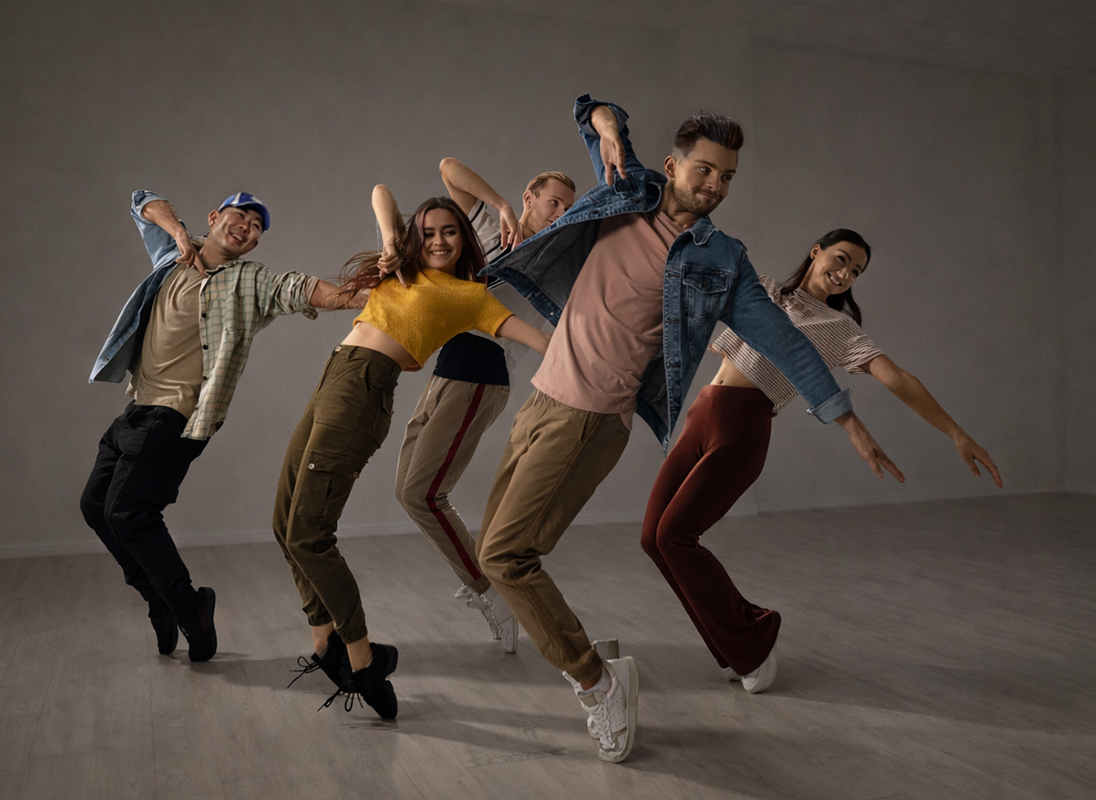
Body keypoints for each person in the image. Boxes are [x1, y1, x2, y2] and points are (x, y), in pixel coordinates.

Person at [477, 96, 900, 764]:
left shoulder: (721, 261)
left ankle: (598, 683)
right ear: (671, 167)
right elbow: (591, 114)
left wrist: (843, 416)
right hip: (542, 399)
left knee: (506, 557)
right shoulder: (627, 192)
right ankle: (584, 650)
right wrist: (608, 124)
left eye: (727, 177)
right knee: (497, 553)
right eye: (705, 170)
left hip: (589, 418)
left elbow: (787, 344)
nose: (715, 185)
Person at [642, 229, 1003, 693]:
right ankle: (733, 644)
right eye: (841, 259)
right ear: (816, 251)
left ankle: (754, 637)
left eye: (855, 271)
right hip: (702, 413)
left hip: (743, 427)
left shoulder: (838, 329)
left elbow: (900, 379)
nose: (845, 273)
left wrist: (956, 431)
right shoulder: (765, 289)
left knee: (675, 536)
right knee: (653, 539)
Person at [273, 186, 551, 720]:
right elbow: (379, 192)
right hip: (334, 377)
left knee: (310, 534)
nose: (440, 240)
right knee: (283, 523)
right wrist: (390, 241)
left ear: (464, 240)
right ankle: (325, 643)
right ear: (415, 239)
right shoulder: (400, 269)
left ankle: (362, 658)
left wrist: (589, 349)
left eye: (450, 232)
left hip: (363, 391)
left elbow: (535, 338)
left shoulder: (470, 296)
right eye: (429, 233)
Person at [82, 190, 365, 664]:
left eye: (257, 227)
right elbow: (142, 201)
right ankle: (162, 601)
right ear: (214, 218)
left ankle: (190, 608)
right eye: (241, 216)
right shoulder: (172, 255)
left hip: (175, 414)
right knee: (95, 507)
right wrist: (176, 234)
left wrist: (378, 290)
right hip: (137, 407)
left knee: (128, 514)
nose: (248, 228)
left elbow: (309, 290)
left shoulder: (249, 282)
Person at [394, 159, 575, 653]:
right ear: (529, 198)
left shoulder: (557, 256)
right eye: (553, 200)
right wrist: (498, 206)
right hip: (447, 364)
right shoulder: (493, 227)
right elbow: (448, 167)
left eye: (567, 206)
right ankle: (483, 582)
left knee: (424, 493)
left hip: (482, 371)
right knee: (406, 489)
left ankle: (488, 589)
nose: (559, 211)